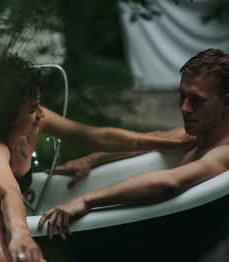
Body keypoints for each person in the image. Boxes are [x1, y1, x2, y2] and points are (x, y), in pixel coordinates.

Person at [0, 53, 194, 262]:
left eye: (39, 105)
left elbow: (99, 137)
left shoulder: (33, 125)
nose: (39, 115)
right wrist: (22, 236)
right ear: (7, 117)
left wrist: (168, 143)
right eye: (32, 109)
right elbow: (7, 192)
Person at [38, 48, 229, 241]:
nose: (184, 108)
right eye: (182, 95)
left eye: (197, 100)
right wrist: (94, 159)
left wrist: (86, 200)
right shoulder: (199, 135)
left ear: (226, 102)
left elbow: (169, 182)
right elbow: (153, 139)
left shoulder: (223, 152)